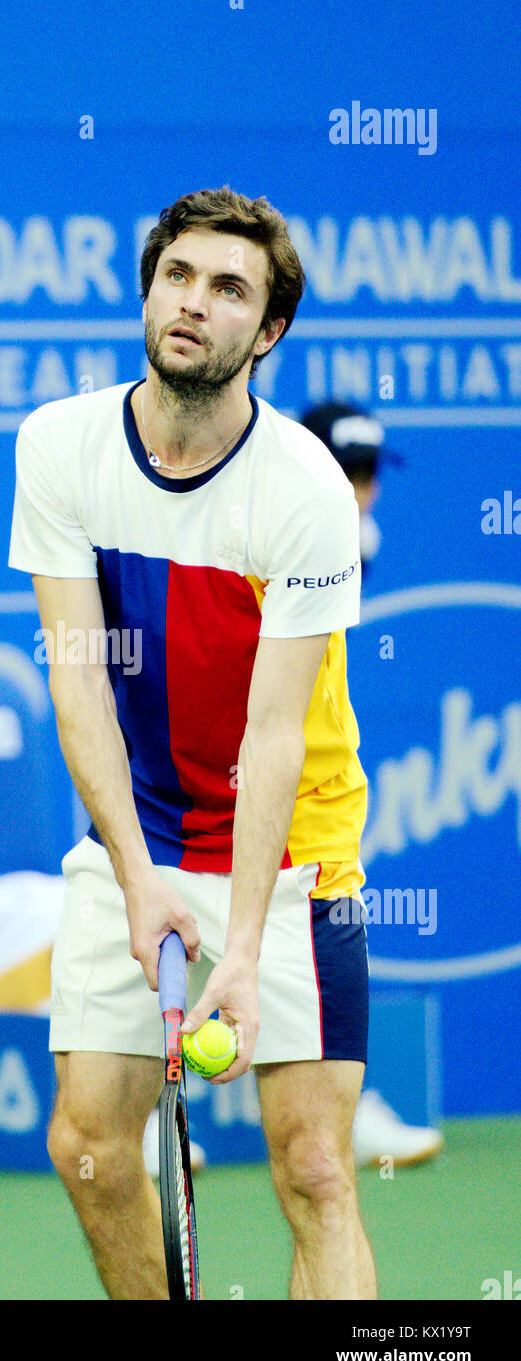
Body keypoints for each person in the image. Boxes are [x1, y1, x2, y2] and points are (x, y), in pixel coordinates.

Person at [8, 186, 377, 1299]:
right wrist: (135, 877)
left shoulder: (305, 486)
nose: (193, 303)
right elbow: (78, 685)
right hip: (144, 831)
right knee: (83, 1143)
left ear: (265, 333)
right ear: (145, 290)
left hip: (291, 841)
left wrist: (247, 949)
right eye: (177, 276)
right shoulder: (61, 446)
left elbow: (272, 734)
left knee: (312, 1168)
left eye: (228, 289)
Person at [299, 401, 444, 1168]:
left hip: (300, 773)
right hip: (206, 772)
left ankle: (343, 1115)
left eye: (369, 472)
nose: (364, 490)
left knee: (319, 940)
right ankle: (146, 1118)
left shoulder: (356, 538)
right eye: (346, 470)